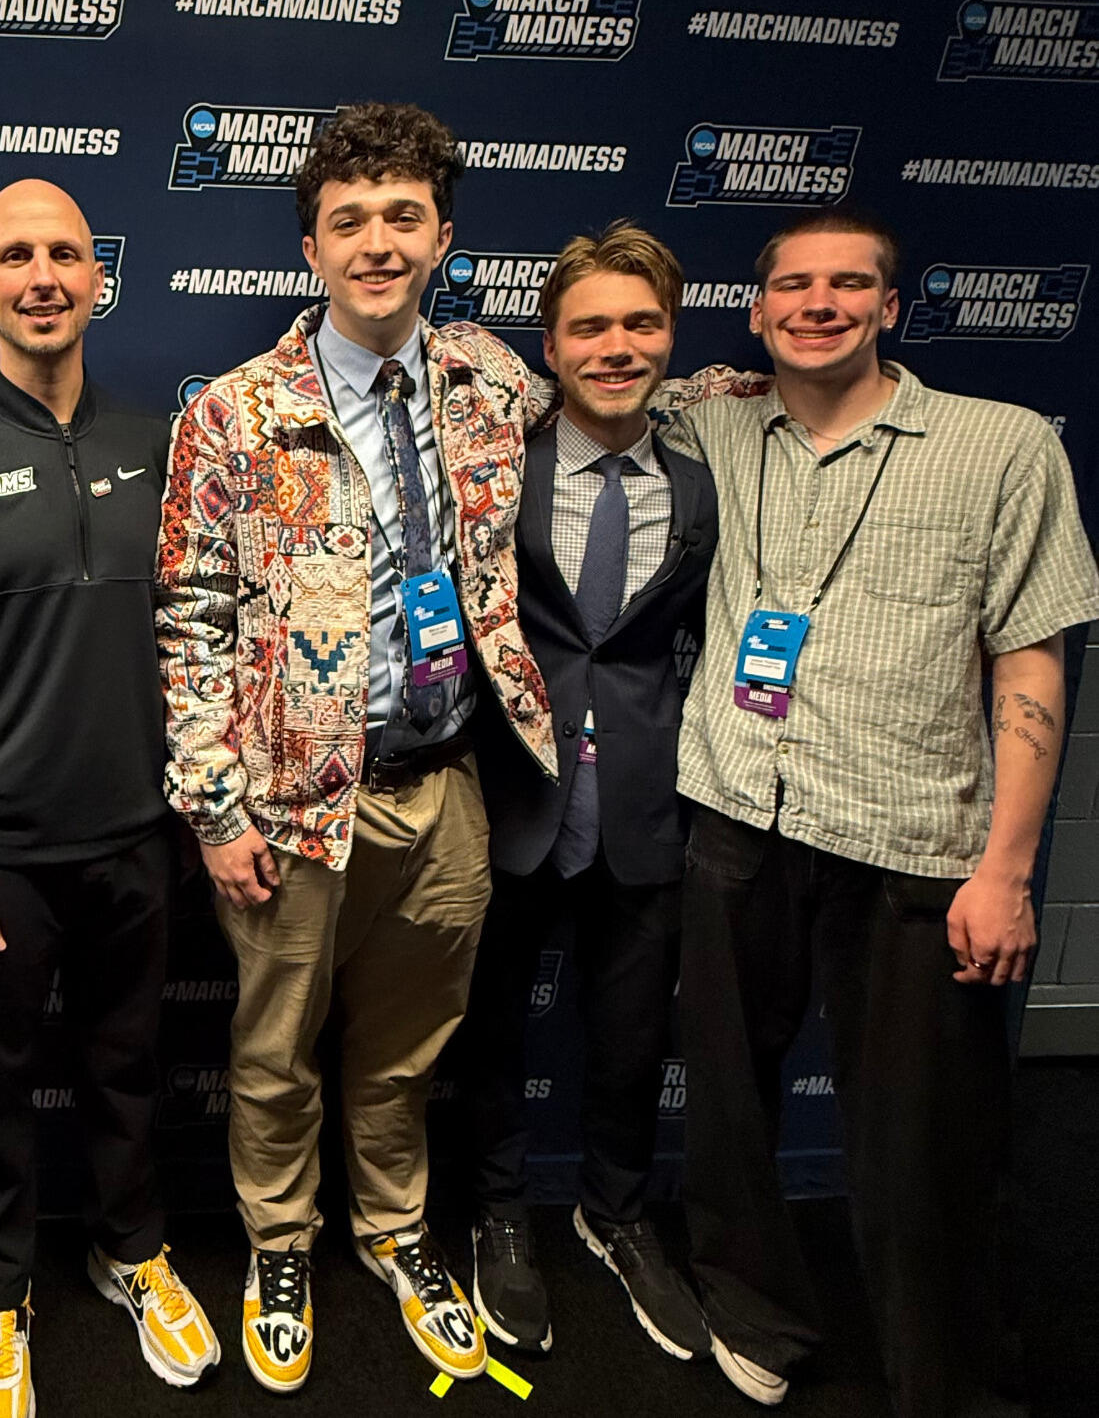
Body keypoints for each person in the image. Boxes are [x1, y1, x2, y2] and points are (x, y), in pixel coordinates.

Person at [668, 209, 1099, 1415]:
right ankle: (753, 1309)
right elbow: (589, 392)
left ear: (891, 307)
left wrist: (1007, 869)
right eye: (793, 285)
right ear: (755, 313)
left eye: (848, 285)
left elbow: (1031, 662)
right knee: (731, 1107)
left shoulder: (1001, 447)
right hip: (738, 816)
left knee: (929, 1148)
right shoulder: (711, 425)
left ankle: (950, 1380)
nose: (820, 303)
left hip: (914, 838)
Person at [155, 101, 556, 1393]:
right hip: (288, 805)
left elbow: (623, 403)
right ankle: (279, 1242)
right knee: (273, 1050)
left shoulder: (490, 384)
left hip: (444, 788)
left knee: (404, 1046)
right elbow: (189, 616)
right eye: (346, 222)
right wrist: (213, 807)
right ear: (310, 249)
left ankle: (391, 1229)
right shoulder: (231, 414)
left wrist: (759, 384)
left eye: (400, 218)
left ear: (441, 235)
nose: (375, 243)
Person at [0, 179, 218, 1418]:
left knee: (135, 1070)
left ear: (99, 276)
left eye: (65, 252)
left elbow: (198, 642)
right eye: (15, 255)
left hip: (138, 842)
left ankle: (131, 1254)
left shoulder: (160, 444)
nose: (43, 276)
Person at [464, 222, 714, 1363]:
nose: (617, 347)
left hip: (652, 804)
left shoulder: (707, 479)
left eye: (640, 323)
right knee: (492, 1025)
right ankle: (499, 1208)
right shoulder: (497, 468)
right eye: (590, 327)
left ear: (669, 333)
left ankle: (615, 1212)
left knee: (628, 1033)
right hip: (514, 794)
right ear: (550, 346)